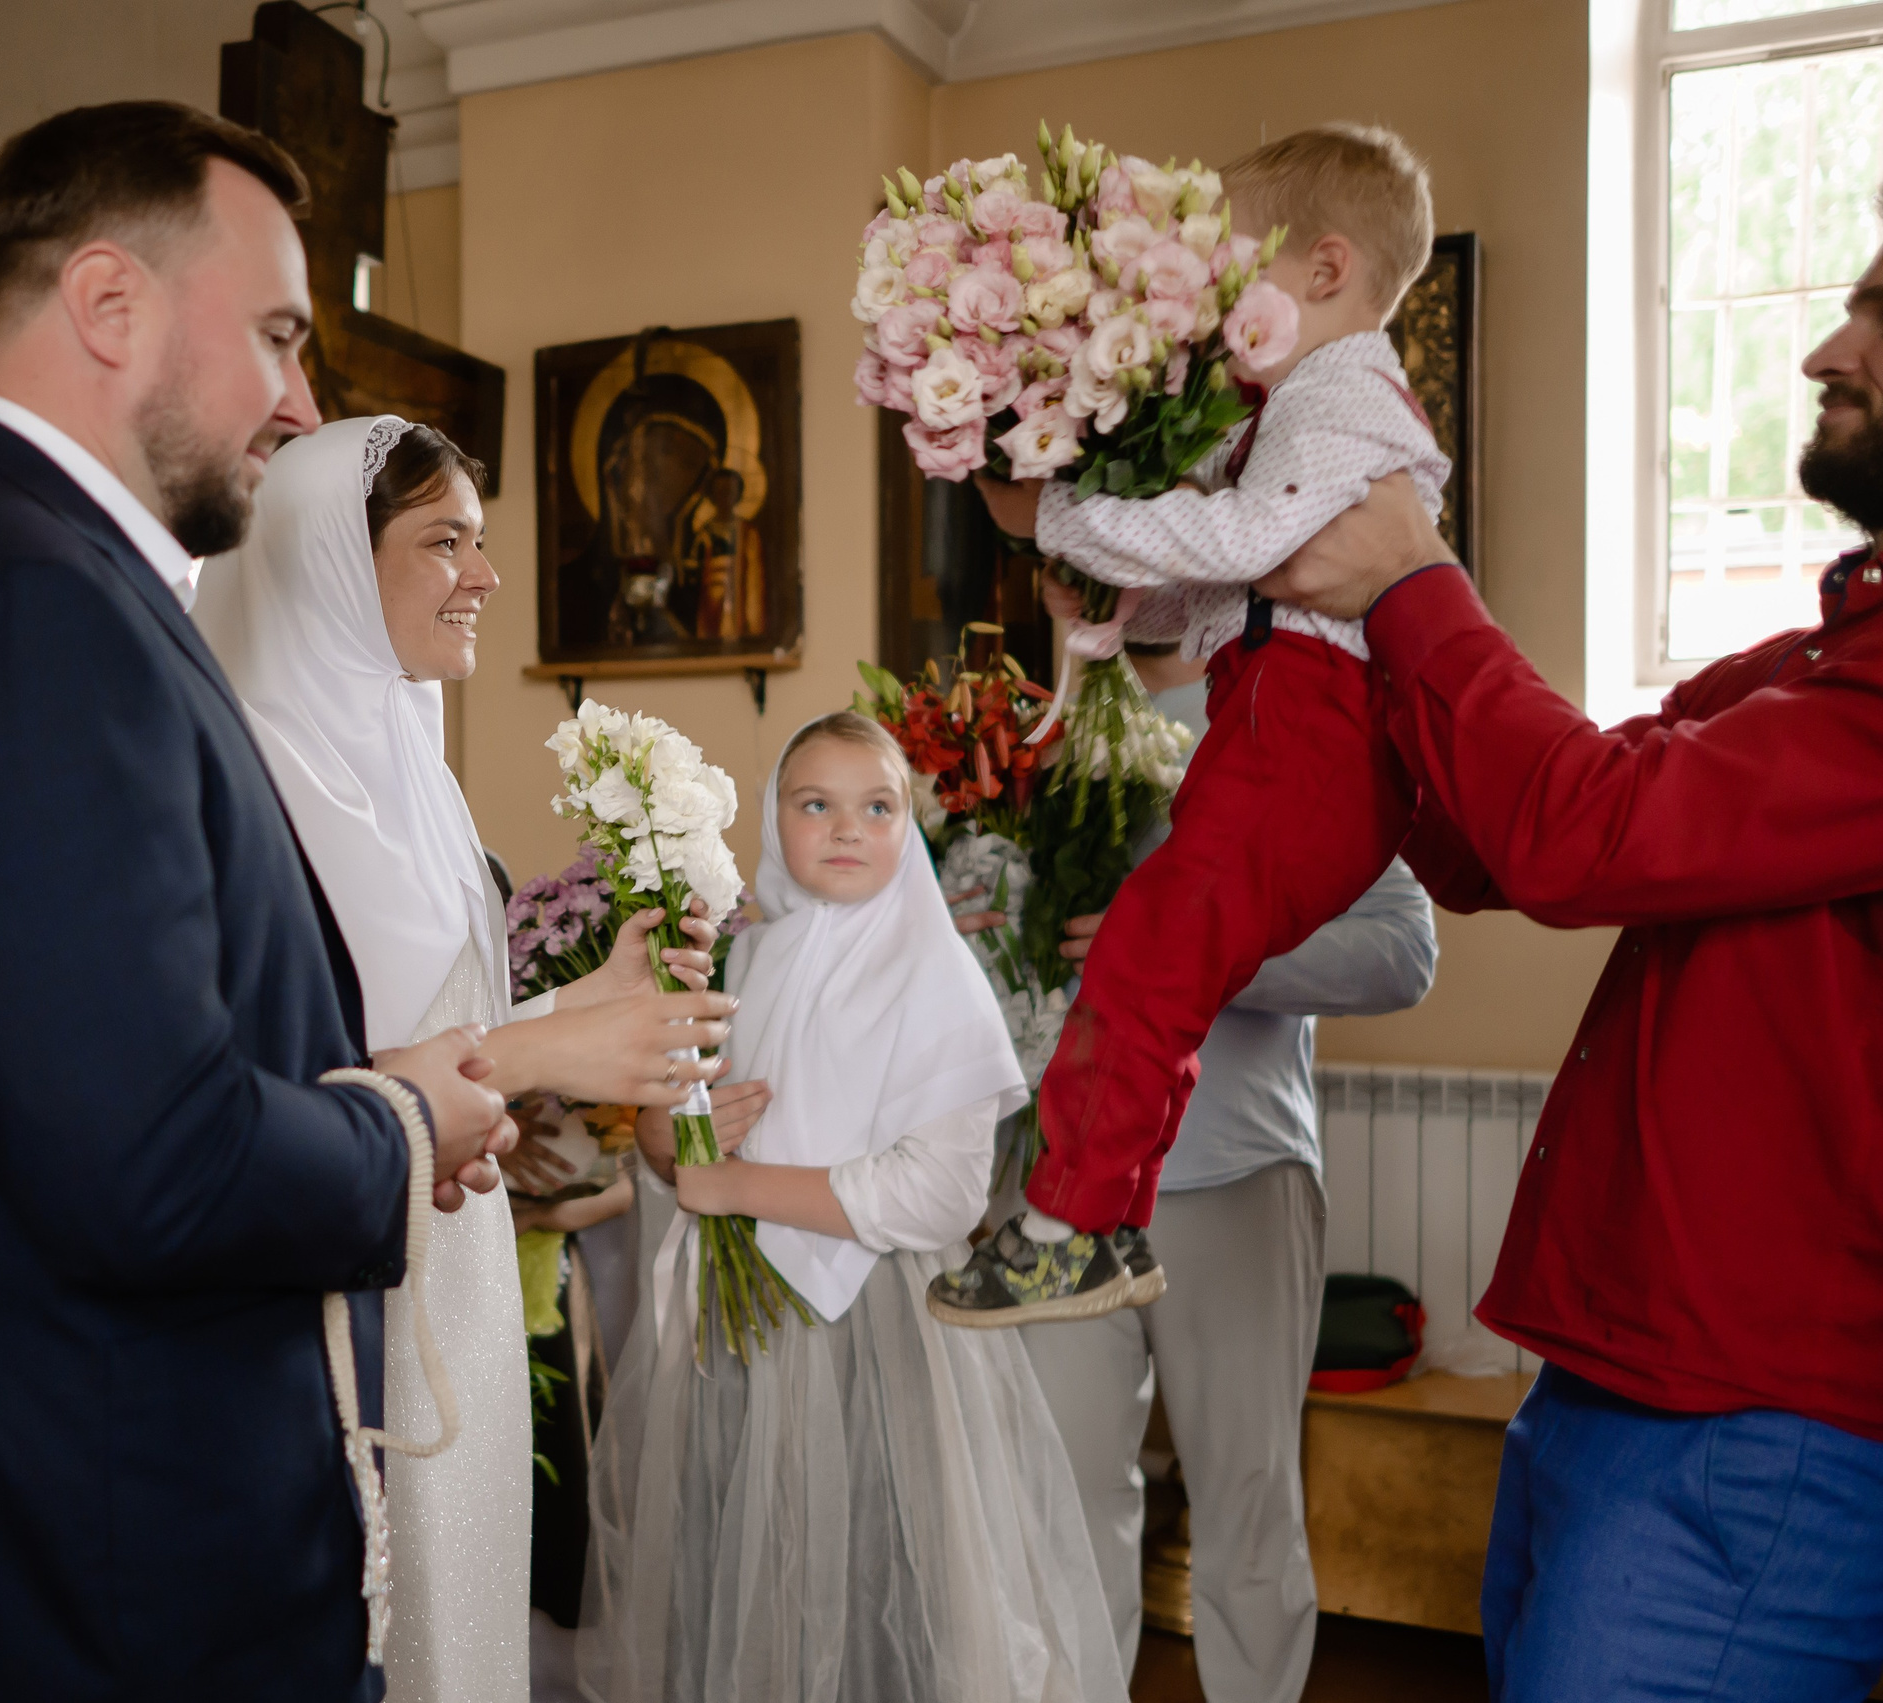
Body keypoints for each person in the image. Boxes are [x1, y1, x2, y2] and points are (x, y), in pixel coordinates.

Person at [0, 103, 532, 1703]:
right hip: (63, 1559)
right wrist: (404, 1117)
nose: (299, 402)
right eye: (280, 336)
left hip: (18, 1510)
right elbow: (149, 1161)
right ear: (109, 304)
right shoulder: (24, 602)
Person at [1250, 237, 1883, 1698]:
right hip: (1624, 1367)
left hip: (1763, 1416)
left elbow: (1582, 837)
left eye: (1874, 314)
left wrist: (1415, 578)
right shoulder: (1803, 666)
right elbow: (1511, 837)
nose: (1821, 352)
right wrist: (1307, 633)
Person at [191, 414, 737, 1701]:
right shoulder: (249, 773)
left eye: (481, 543)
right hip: (346, 1280)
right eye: (444, 542)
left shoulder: (416, 764)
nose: (485, 577)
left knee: (468, 1608)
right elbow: (269, 1079)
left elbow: (447, 1032)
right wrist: (550, 1041)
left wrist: (601, 997)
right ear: (330, 559)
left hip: (464, 1263)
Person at [935, 124, 1451, 1327]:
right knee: (1149, 950)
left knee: (1154, 950)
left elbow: (1233, 544)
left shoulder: (1348, 402)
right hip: (1270, 709)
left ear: (1323, 270)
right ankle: (1089, 1217)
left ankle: (1078, 1225)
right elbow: (1230, 585)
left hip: (1311, 730)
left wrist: (1063, 515)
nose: (1217, 292)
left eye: (1238, 262)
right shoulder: (1299, 409)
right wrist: (1110, 597)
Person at [580, 712, 1127, 1703]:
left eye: (877, 807)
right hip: (739, 1329)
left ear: (907, 826)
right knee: (743, 1575)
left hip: (875, 1327)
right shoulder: (748, 957)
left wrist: (736, 1183)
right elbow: (685, 1152)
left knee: (879, 1580)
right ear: (770, 820)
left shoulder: (935, 973)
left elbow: (941, 1193)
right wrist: (688, 1139)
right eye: (814, 804)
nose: (845, 828)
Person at [979, 607, 1437, 1702]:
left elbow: (1402, 951)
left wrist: (1198, 945)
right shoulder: (1018, 746)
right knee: (1064, 1500)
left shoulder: (1292, 731)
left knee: (1245, 1501)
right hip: (1051, 1183)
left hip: (1232, 1172)